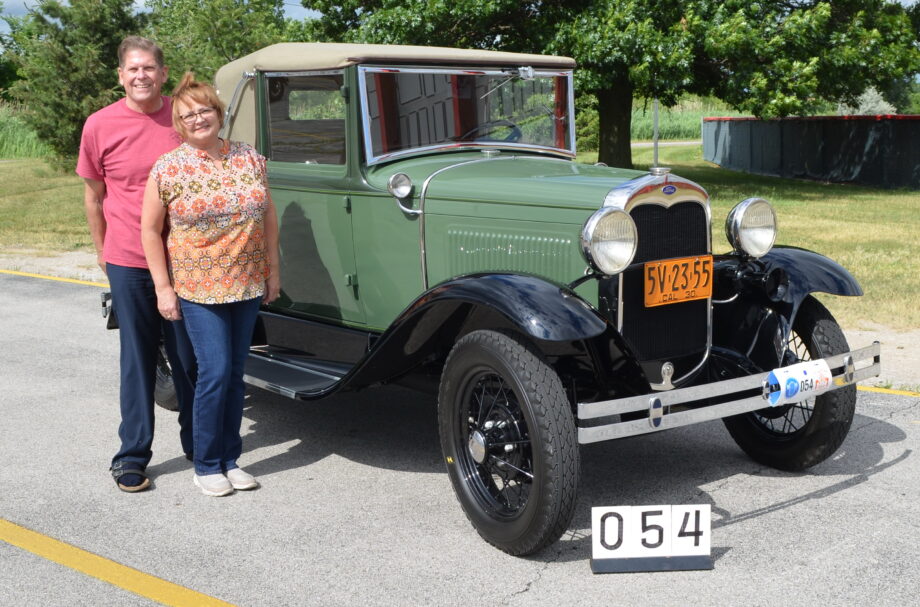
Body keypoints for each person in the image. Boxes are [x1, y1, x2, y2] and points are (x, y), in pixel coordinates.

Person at [141, 73, 281, 497]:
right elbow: (149, 231)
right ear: (179, 124)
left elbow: (269, 214)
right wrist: (164, 288)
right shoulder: (169, 167)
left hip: (247, 281)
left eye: (204, 111)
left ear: (218, 114)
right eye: (188, 115)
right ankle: (206, 464)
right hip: (198, 287)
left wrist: (273, 268)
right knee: (214, 373)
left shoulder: (249, 157)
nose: (198, 119)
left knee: (236, 374)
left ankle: (231, 459)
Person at [77, 36, 197, 493]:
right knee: (138, 358)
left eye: (149, 68)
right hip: (128, 258)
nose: (141, 75)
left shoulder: (182, 118)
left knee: (189, 358)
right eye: (133, 69)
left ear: (163, 73)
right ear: (121, 76)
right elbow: (93, 197)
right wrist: (104, 254)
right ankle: (131, 456)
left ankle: (198, 442)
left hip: (186, 258)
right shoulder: (100, 125)